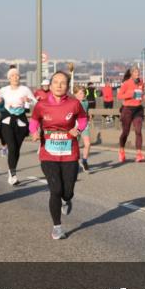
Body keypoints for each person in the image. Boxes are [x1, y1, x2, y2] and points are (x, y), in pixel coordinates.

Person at [28, 70, 87, 240]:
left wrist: (78, 129)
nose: (59, 85)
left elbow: (83, 119)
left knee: (67, 191)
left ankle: (67, 200)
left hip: (69, 153)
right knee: (55, 190)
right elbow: (34, 120)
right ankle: (57, 227)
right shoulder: (41, 105)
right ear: (51, 85)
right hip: (48, 154)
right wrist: (34, 131)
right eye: (55, 82)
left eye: (63, 82)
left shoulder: (74, 103)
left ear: (67, 86)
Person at [0, 67, 37, 185]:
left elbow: (35, 102)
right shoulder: (4, 90)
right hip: (7, 121)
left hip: (21, 122)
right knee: (12, 147)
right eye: (12, 75)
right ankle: (13, 175)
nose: (15, 77)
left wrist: (28, 99)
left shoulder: (25, 89)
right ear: (9, 78)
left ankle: (11, 170)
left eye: (17, 75)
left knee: (16, 149)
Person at [117, 66, 145, 163]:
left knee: (138, 131)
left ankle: (139, 154)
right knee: (126, 132)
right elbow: (119, 96)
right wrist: (130, 94)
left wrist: (143, 96)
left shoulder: (141, 82)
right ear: (131, 73)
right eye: (136, 72)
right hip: (127, 109)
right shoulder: (126, 83)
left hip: (138, 109)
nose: (138, 74)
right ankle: (121, 150)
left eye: (138, 72)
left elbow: (141, 93)